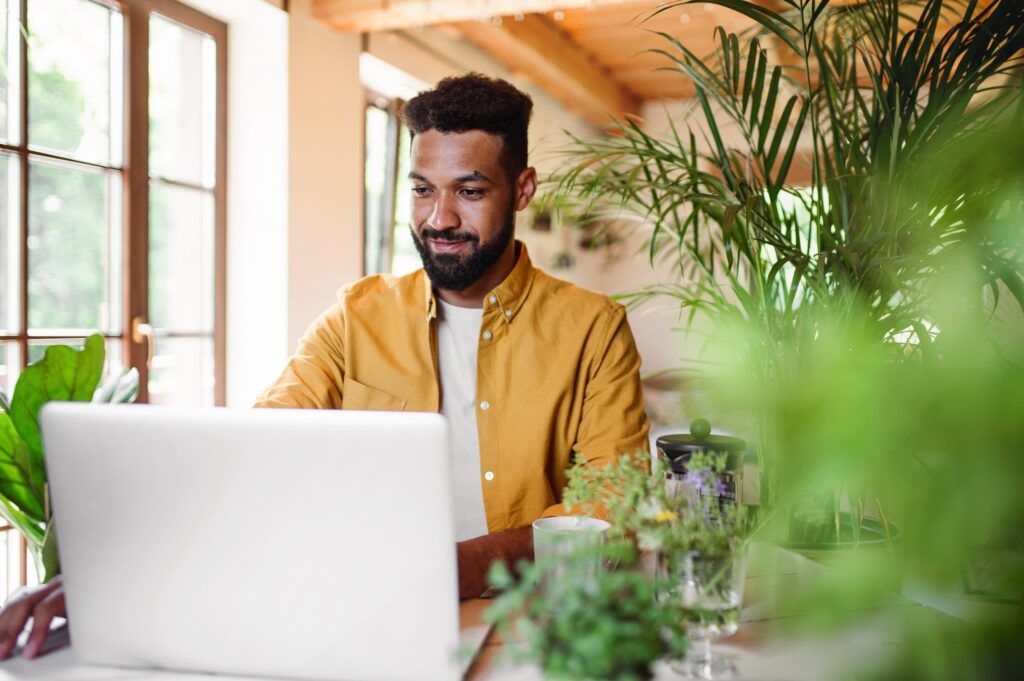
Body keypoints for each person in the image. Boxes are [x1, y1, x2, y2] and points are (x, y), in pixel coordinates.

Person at [0, 73, 649, 659]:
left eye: (469, 191)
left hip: (527, 631)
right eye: (422, 190)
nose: (439, 218)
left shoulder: (593, 328)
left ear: (523, 188)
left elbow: (608, 518)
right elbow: (256, 453)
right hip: (354, 623)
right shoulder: (356, 316)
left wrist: (440, 568)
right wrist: (108, 573)